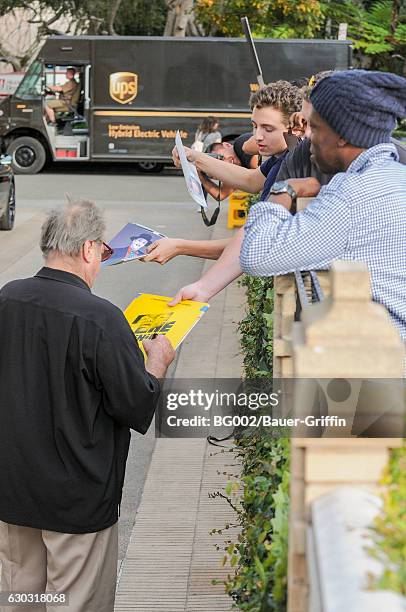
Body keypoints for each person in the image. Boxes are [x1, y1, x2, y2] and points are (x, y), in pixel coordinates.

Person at [0, 200, 175, 612]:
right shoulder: (103, 319)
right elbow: (137, 405)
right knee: (73, 603)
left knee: (20, 599)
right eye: (103, 252)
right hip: (78, 500)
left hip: (12, 491)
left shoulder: (7, 299)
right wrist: (157, 362)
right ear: (89, 250)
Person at [240, 70, 406, 342]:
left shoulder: (350, 195)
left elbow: (257, 255)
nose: (307, 137)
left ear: (342, 135)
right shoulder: (396, 176)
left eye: (314, 127)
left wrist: (286, 189)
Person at [144, 82, 302, 265]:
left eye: (268, 129)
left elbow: (254, 242)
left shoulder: (292, 166)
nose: (257, 136)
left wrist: (180, 246)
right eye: (254, 126)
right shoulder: (281, 156)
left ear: (296, 127)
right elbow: (250, 180)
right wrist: (195, 157)